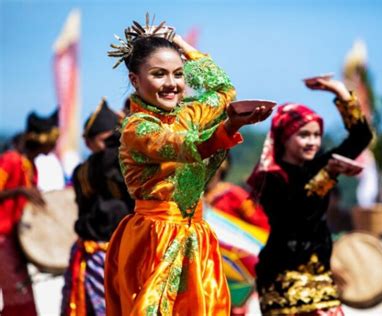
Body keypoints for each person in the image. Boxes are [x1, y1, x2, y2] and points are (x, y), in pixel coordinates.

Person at [104, 16, 272, 315]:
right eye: (159, 74)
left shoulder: (189, 113)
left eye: (178, 74)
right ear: (135, 80)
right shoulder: (137, 127)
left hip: (196, 235)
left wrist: (179, 42)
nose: (172, 84)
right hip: (154, 238)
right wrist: (227, 127)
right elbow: (182, 146)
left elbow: (223, 91)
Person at [248, 77, 373, 315]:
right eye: (304, 135)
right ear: (285, 137)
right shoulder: (272, 176)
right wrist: (328, 175)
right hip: (283, 277)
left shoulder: (319, 165)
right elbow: (297, 212)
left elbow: (361, 137)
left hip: (321, 273)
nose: (313, 142)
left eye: (317, 135)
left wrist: (339, 91)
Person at [61, 98, 134, 316]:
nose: (109, 146)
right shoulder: (101, 164)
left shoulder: (120, 161)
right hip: (98, 252)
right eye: (106, 141)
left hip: (122, 251)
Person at [0, 109, 59, 315]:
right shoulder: (11, 160)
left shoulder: (31, 165)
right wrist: (19, 190)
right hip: (2, 238)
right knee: (19, 299)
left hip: (15, 238)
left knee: (19, 299)